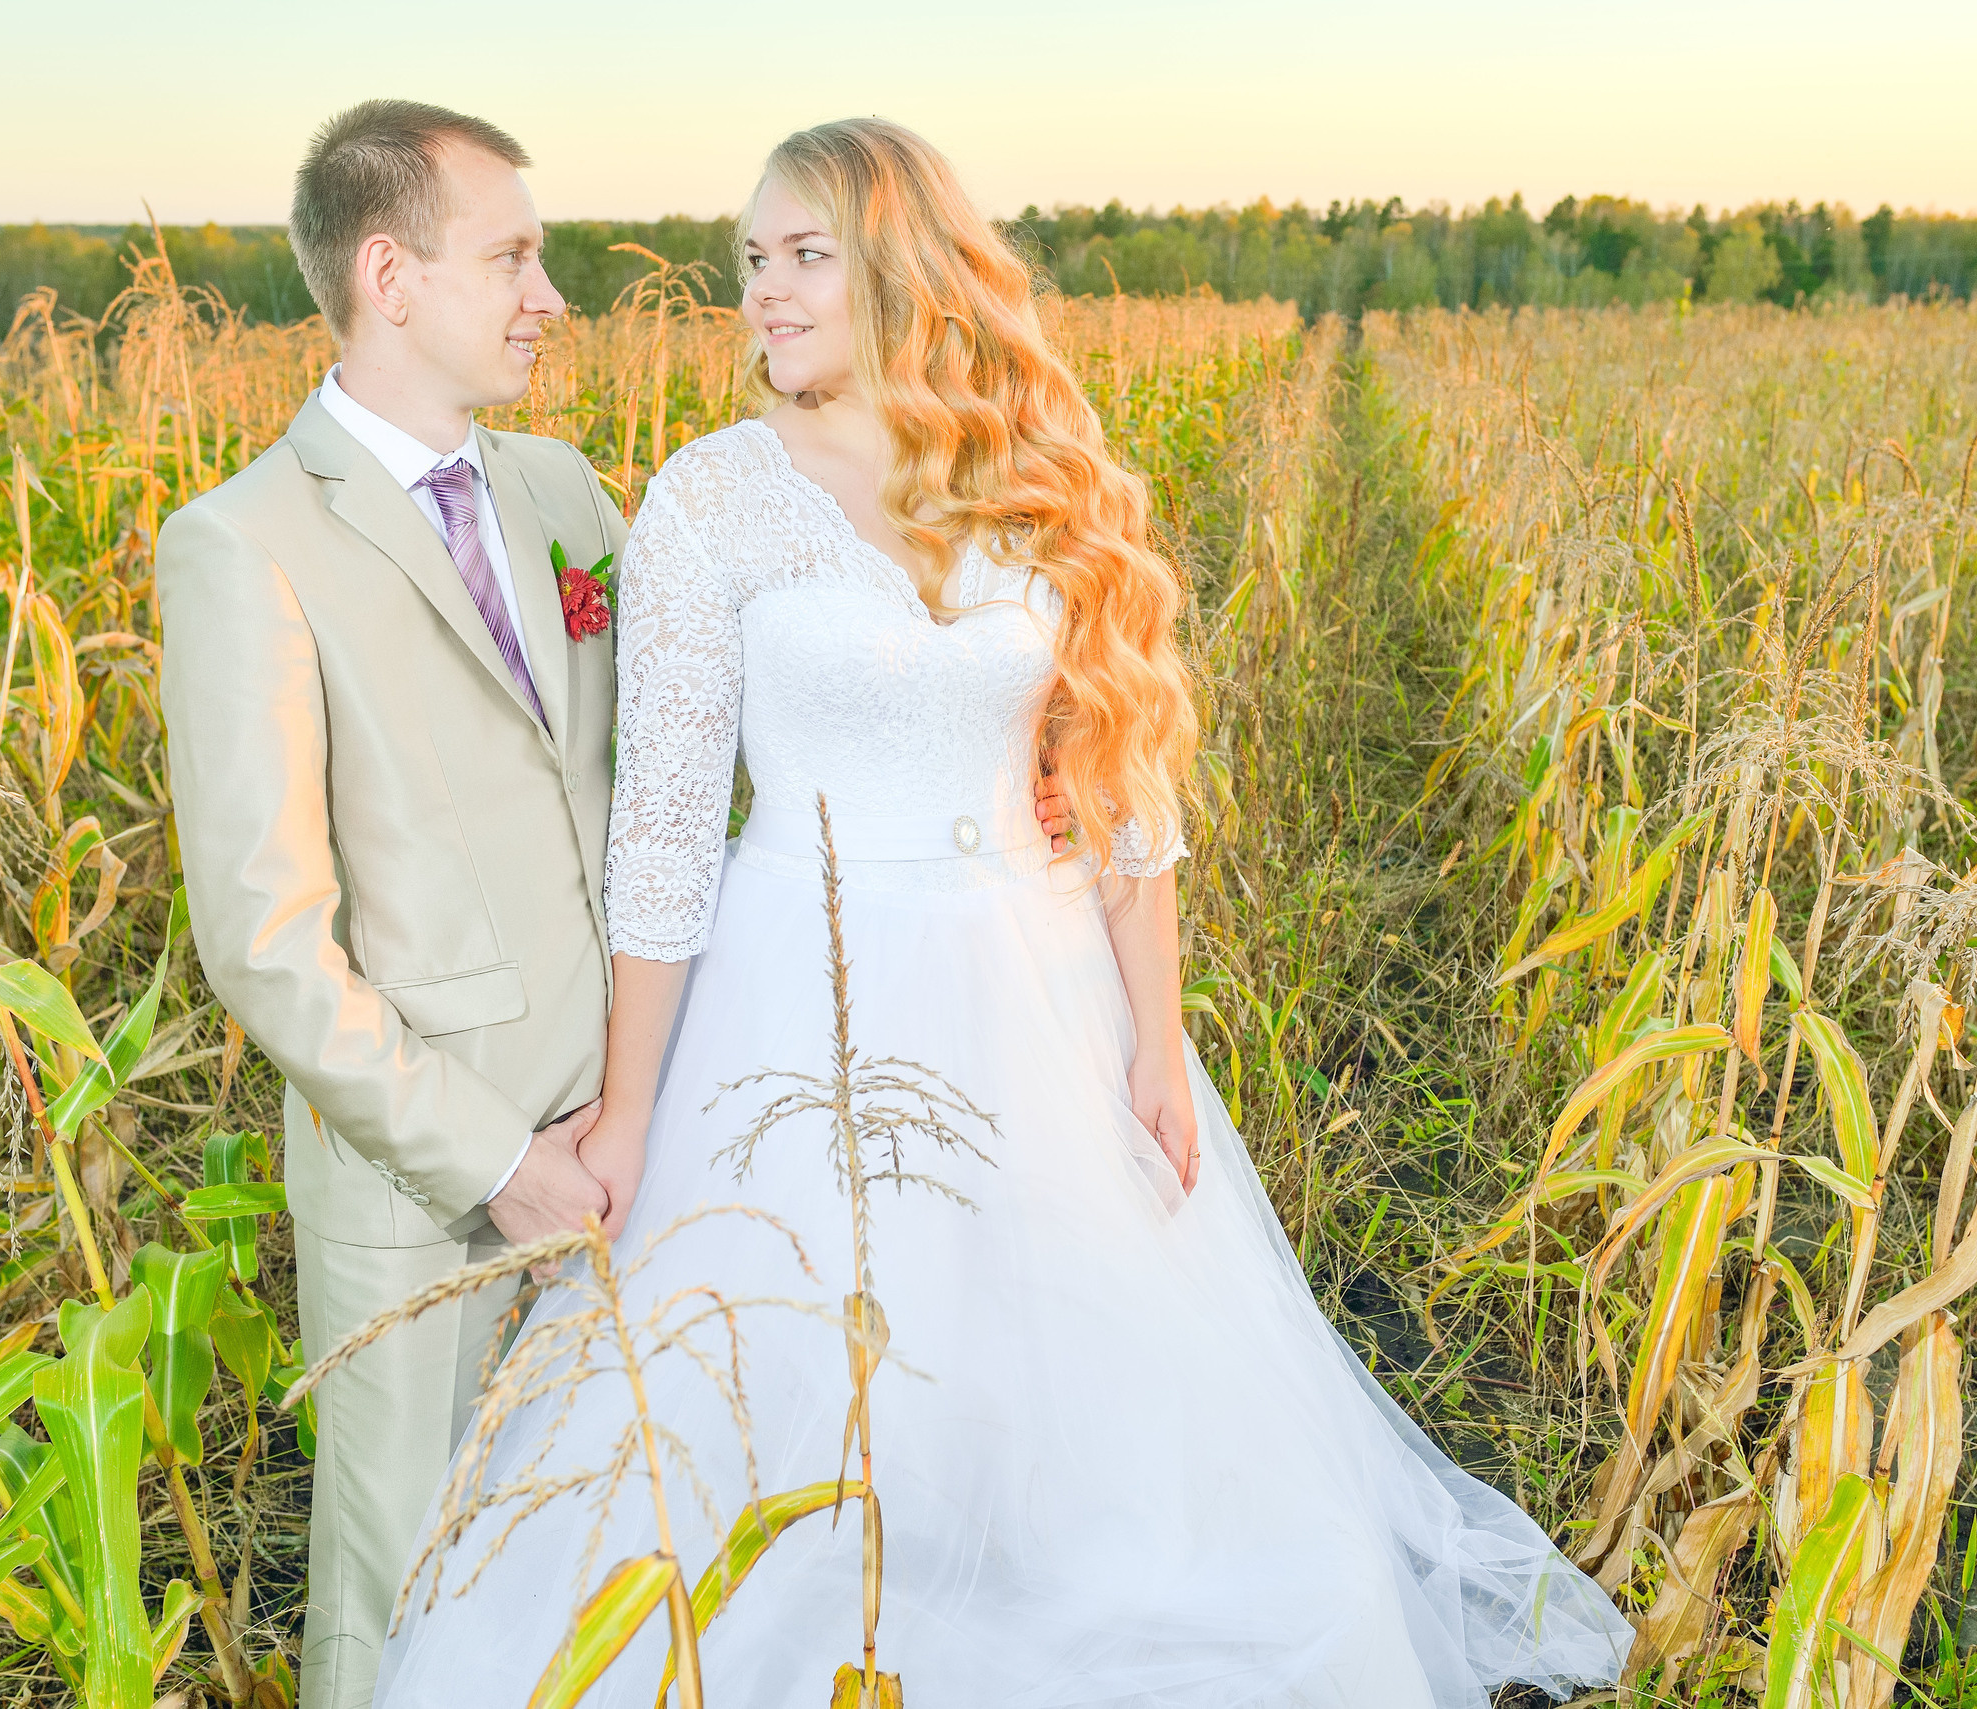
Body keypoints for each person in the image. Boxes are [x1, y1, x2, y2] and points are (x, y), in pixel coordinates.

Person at [372, 117, 1633, 1705]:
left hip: (1037, 989)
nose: (763, 291)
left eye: (804, 256)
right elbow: (669, 834)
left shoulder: (1036, 479)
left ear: (900, 265)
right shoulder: (710, 499)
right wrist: (629, 1109)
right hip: (797, 983)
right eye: (751, 260)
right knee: (789, 1396)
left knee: (1078, 1407)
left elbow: (1120, 787)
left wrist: (1159, 1044)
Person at [156, 100, 629, 1709]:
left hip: (635, 1149)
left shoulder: (568, 494)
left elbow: (684, 747)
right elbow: (270, 949)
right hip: (431, 1201)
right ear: (390, 274)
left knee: (619, 1594)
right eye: (511, 255)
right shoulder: (242, 546)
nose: (547, 295)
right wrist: (502, 1164)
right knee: (417, 1615)